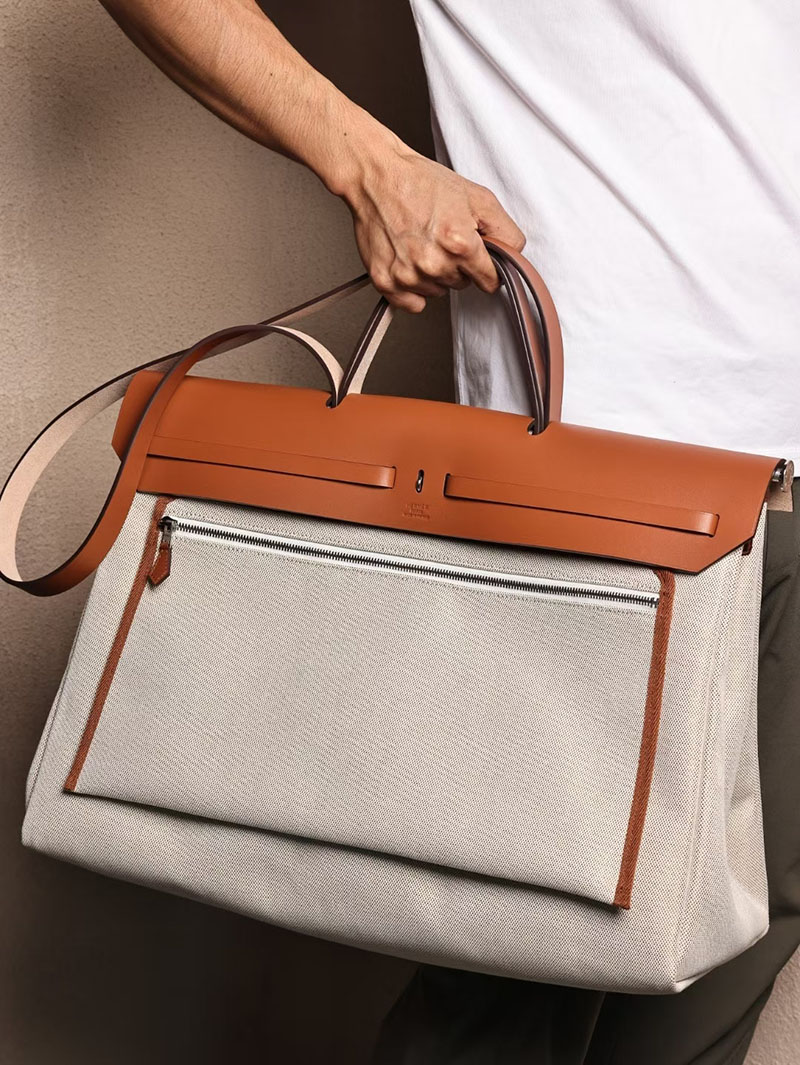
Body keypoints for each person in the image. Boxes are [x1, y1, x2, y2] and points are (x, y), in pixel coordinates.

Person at [96, 3, 800, 1063]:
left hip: (780, 467)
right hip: (606, 477)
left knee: (721, 973)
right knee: (505, 986)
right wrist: (368, 164)